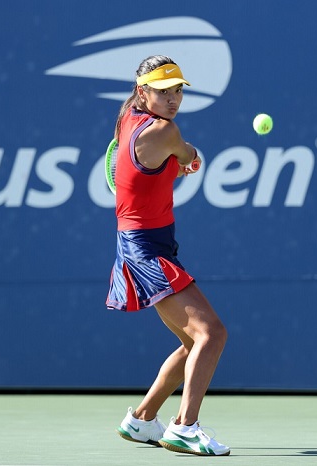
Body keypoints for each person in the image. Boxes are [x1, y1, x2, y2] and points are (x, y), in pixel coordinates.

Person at [106, 55, 230, 457]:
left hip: (142, 243)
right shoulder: (165, 131)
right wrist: (189, 158)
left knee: (192, 343)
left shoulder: (129, 117)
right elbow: (188, 153)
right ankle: (184, 427)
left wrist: (175, 164)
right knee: (211, 334)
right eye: (163, 91)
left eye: (178, 90)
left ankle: (142, 419)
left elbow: (158, 167)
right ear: (143, 92)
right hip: (147, 249)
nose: (173, 99)